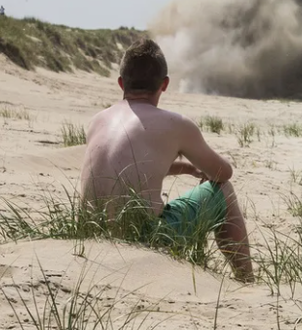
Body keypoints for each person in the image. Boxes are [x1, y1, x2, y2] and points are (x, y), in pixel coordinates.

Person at [80, 39, 253, 280]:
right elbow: (223, 173)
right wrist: (197, 161)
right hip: (145, 240)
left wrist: (182, 168)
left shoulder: (98, 120)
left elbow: (128, 169)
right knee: (224, 191)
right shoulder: (176, 124)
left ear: (121, 82)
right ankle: (246, 280)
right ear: (165, 84)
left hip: (90, 236)